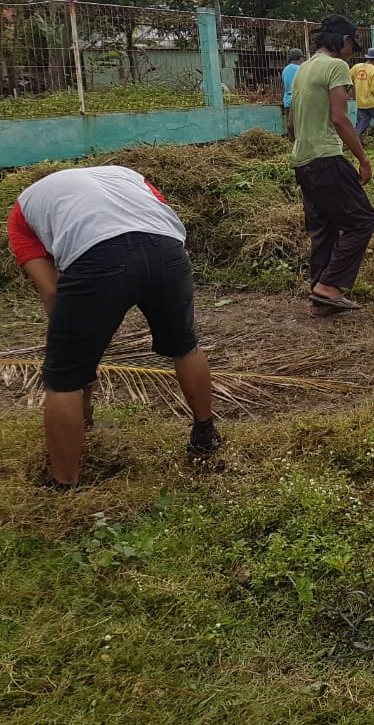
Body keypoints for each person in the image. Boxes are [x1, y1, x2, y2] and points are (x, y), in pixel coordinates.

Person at [6, 165, 220, 489]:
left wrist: (73, 357)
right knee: (184, 345)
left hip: (100, 259)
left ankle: (63, 483)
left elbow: (51, 289)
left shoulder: (21, 215)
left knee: (63, 380)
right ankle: (206, 433)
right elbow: (159, 212)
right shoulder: (126, 174)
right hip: (168, 251)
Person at [288, 14, 374, 315]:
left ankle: (320, 301)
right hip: (326, 158)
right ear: (344, 41)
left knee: (324, 229)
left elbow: (290, 123)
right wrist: (363, 159)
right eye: (353, 45)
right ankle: (330, 287)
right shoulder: (336, 66)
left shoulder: (302, 70)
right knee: (362, 220)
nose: (352, 52)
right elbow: (340, 118)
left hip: (303, 161)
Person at [281, 47, 304, 138]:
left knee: (291, 127)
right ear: (300, 58)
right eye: (302, 58)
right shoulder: (300, 69)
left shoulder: (285, 70)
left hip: (287, 101)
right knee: (300, 127)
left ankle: (291, 146)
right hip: (297, 100)